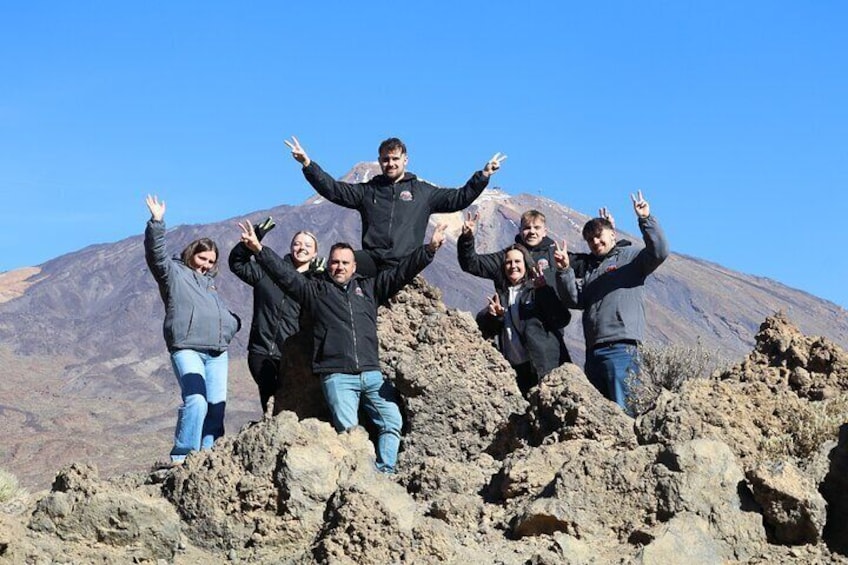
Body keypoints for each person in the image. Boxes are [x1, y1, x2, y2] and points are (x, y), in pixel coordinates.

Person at [238, 219, 448, 473]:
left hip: (371, 373)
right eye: (335, 262)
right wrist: (260, 251)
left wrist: (429, 249)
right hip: (337, 375)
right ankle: (361, 480)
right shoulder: (315, 291)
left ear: (354, 266)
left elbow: (401, 273)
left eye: (345, 263)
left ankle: (385, 472)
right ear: (328, 264)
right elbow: (286, 276)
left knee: (392, 421)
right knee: (349, 434)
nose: (339, 267)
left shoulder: (369, 289)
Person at [283, 135, 505, 275]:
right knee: (340, 263)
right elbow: (333, 189)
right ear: (380, 161)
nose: (390, 164)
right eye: (386, 159)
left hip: (407, 261)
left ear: (405, 160)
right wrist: (307, 164)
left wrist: (483, 175)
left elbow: (459, 198)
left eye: (395, 159)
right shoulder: (367, 191)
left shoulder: (422, 192)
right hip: (373, 259)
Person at [143, 195, 240, 465]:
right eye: (202, 257)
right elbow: (156, 255)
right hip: (187, 349)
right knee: (196, 399)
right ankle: (182, 456)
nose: (206, 264)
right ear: (191, 253)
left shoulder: (210, 286)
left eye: (211, 261)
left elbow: (221, 314)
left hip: (217, 353)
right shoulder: (174, 274)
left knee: (216, 407)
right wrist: (157, 222)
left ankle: (208, 458)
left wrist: (233, 324)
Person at [558, 191, 669, 416]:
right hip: (594, 352)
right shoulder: (593, 271)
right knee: (600, 416)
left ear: (612, 234)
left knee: (624, 410)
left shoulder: (631, 258)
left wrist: (645, 219)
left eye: (599, 236)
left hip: (621, 349)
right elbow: (574, 299)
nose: (595, 242)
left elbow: (659, 252)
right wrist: (564, 271)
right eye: (590, 240)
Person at [459, 215, 572, 397]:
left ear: (526, 265)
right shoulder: (502, 296)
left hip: (543, 366)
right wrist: (466, 239)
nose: (513, 266)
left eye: (517, 262)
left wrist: (544, 290)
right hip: (513, 370)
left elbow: (562, 318)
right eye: (508, 263)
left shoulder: (537, 289)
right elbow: (471, 265)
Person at [228, 218, 324, 413]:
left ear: (315, 253)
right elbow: (237, 263)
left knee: (290, 404)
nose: (301, 248)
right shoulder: (266, 272)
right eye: (297, 243)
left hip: (292, 356)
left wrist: (318, 277)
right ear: (290, 247)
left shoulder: (314, 285)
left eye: (307, 245)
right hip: (261, 351)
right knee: (271, 398)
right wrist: (254, 239)